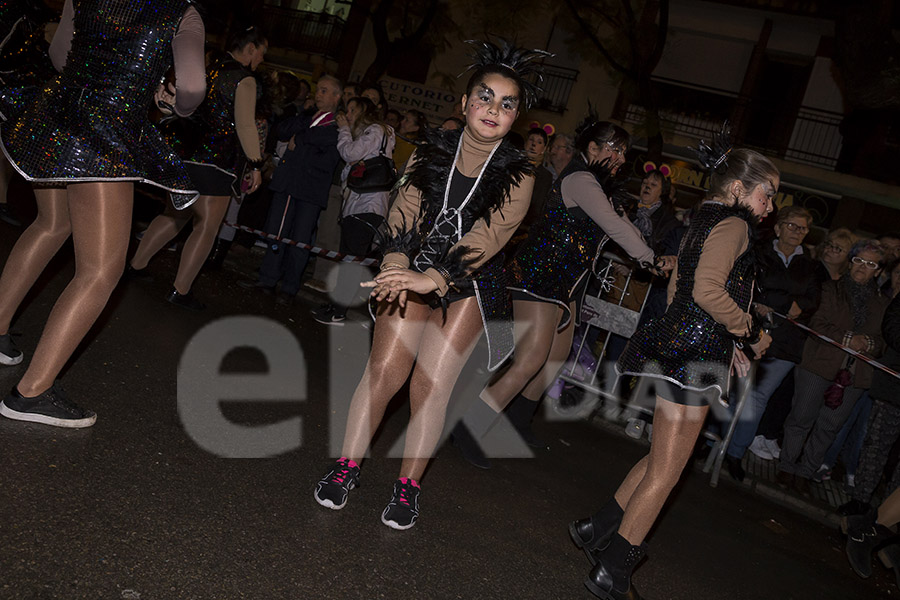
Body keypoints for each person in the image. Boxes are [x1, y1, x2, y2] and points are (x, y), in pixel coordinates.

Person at [312, 39, 547, 530]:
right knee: (383, 372)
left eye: (507, 104)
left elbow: (490, 237)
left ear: (515, 118)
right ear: (464, 104)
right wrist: (398, 262)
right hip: (412, 265)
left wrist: (434, 277)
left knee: (431, 386)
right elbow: (406, 207)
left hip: (468, 284)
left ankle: (407, 488)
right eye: (485, 97)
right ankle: (346, 467)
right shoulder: (431, 149)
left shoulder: (521, 174)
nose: (493, 110)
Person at [573, 146, 777, 600]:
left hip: (682, 348)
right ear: (740, 189)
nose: (771, 206)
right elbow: (706, 289)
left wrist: (726, 345)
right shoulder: (736, 224)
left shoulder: (700, 220)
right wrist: (749, 330)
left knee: (662, 460)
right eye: (768, 194)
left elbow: (681, 289)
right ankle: (614, 568)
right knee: (668, 471)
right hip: (695, 359)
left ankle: (596, 529)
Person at [0, 0, 205, 426]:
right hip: (105, 133)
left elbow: (59, 55)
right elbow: (191, 87)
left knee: (51, 223)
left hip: (55, 115)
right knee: (99, 271)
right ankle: (30, 393)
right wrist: (170, 106)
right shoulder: (182, 11)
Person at [452, 121, 675, 469]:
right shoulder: (581, 180)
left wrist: (655, 253)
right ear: (592, 149)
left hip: (565, 285)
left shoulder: (599, 186)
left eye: (623, 152)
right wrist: (650, 259)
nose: (619, 157)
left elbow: (624, 222)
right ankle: (469, 426)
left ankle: (517, 422)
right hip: (538, 276)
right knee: (530, 359)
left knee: (554, 358)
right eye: (612, 149)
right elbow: (613, 226)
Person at [128, 26, 267, 310]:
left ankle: (135, 265)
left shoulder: (207, 68)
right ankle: (181, 290)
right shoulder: (244, 80)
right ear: (251, 48)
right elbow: (244, 125)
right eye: (262, 53)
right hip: (218, 163)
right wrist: (256, 164)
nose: (262, 60)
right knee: (206, 226)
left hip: (186, 153)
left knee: (173, 215)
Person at [776, 239, 889, 495]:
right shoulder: (828, 289)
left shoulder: (883, 304)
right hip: (819, 364)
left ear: (879, 271)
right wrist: (849, 339)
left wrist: (868, 343)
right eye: (859, 260)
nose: (862, 267)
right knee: (801, 418)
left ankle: (806, 472)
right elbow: (816, 322)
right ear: (851, 262)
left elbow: (885, 341)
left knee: (829, 426)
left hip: (855, 375)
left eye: (870, 264)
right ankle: (786, 466)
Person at [723, 205, 822, 480]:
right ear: (778, 228)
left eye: (802, 228)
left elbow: (813, 299)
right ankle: (714, 444)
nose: (797, 232)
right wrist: (784, 301)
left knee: (757, 398)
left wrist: (794, 304)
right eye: (792, 225)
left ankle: (734, 453)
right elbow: (756, 286)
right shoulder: (761, 251)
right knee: (733, 392)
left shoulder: (811, 264)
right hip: (752, 333)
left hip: (787, 343)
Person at [240, 74, 342, 304]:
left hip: (310, 189)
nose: (318, 93)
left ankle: (289, 287)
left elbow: (328, 154)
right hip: (287, 183)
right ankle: (267, 279)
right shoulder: (307, 116)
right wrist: (304, 124)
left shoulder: (337, 124)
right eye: (319, 89)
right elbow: (283, 130)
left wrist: (303, 139)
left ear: (337, 97)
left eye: (325, 90)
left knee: (300, 240)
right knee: (277, 233)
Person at [312, 96, 395, 325]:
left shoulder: (377, 130)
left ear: (363, 112)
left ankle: (339, 311)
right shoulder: (373, 132)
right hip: (357, 205)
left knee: (351, 261)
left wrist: (344, 130)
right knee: (347, 258)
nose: (347, 115)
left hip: (368, 205)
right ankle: (335, 305)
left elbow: (349, 153)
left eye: (351, 110)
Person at [840, 276, 900, 518]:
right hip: (894, 388)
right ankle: (860, 500)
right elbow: (892, 327)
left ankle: (890, 514)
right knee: (876, 445)